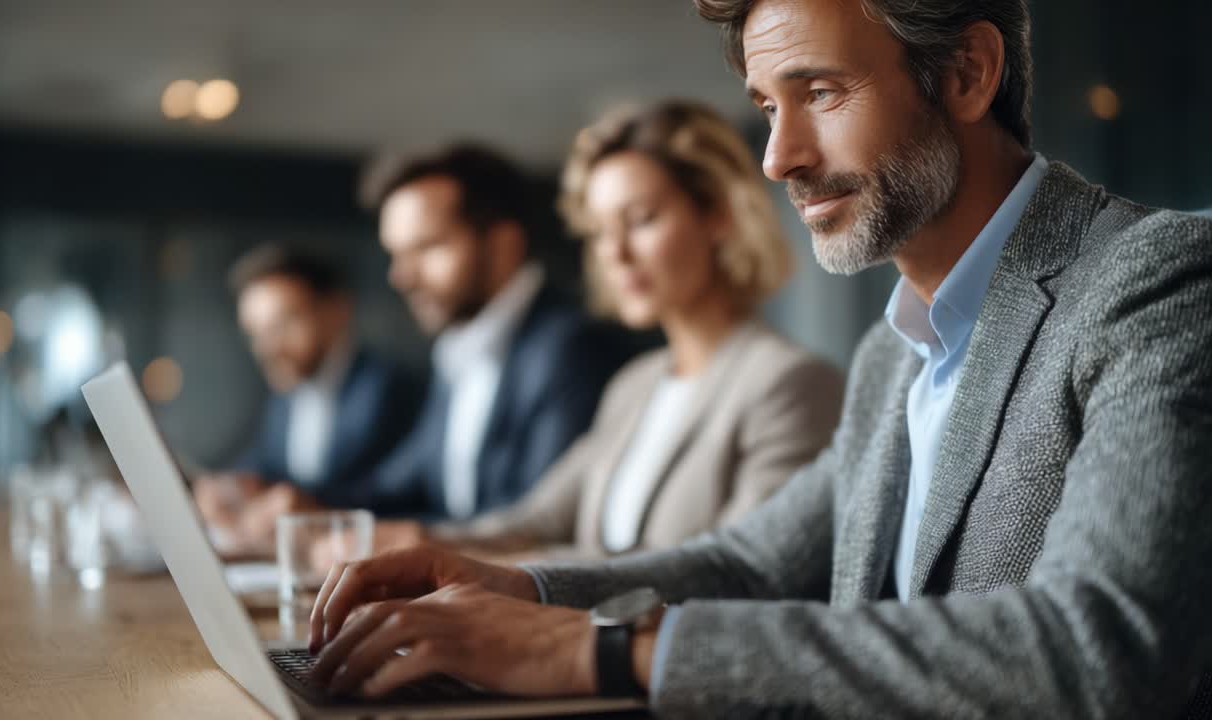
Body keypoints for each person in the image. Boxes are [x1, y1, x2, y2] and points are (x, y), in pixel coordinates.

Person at [303, 1, 1212, 717]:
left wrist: (601, 650)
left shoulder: (1157, 279)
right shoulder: (891, 353)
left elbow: (1102, 645)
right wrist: (517, 590)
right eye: (770, 108)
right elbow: (751, 563)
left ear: (968, 73)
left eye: (821, 92)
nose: (779, 158)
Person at [378, 101, 844, 560]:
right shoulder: (633, 386)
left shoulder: (790, 384)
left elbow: (739, 571)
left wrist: (535, 577)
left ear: (718, 215)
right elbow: (534, 522)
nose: (615, 254)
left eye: (640, 220)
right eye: (600, 231)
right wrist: (404, 542)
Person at [359, 144, 643, 522]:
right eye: (397, 254)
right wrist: (309, 506)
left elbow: (534, 522)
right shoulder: (459, 349)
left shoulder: (572, 347)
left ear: (503, 243)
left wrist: (419, 539)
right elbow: (400, 486)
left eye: (427, 247)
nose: (401, 277)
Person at [193, 245, 424, 556]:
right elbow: (262, 464)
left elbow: (392, 493)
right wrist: (232, 487)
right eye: (256, 334)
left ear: (337, 311)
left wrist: (311, 507)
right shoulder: (286, 398)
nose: (267, 348)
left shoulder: (387, 390)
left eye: (283, 325)